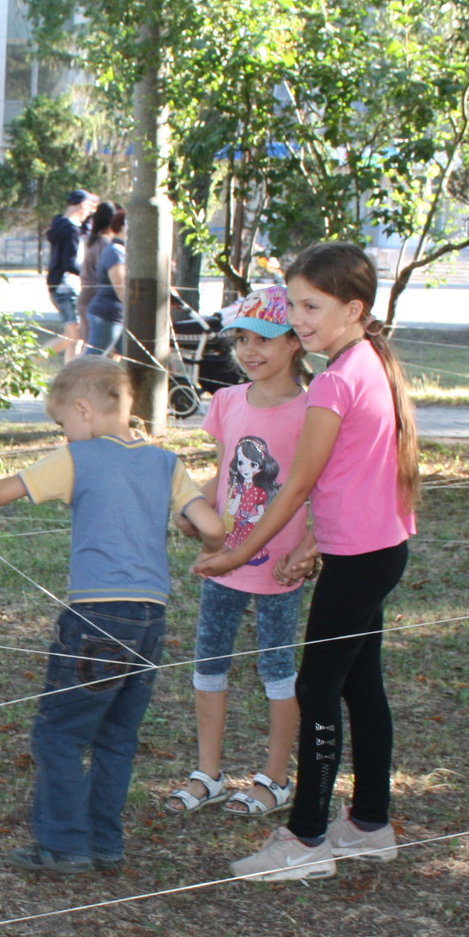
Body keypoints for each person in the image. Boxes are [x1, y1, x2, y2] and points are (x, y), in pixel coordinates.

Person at [0, 358, 225, 875]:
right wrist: (202, 535)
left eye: (63, 423)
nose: (64, 432)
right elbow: (214, 528)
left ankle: (64, 846)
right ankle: (105, 843)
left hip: (96, 620)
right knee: (117, 736)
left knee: (59, 732)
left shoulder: (79, 457)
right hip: (150, 620)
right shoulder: (166, 463)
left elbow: (4, 490)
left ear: (82, 410)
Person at [192, 242, 419, 882]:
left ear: (355, 308)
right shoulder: (367, 361)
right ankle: (370, 823)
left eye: (311, 306)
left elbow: (295, 487)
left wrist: (237, 550)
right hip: (376, 550)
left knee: (318, 689)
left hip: (360, 560)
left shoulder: (337, 381)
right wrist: (314, 541)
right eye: (293, 303)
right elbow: (359, 480)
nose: (298, 318)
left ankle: (308, 838)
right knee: (359, 686)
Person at [162, 285, 310, 818]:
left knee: (277, 669)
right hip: (222, 563)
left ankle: (275, 777)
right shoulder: (226, 401)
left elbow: (319, 488)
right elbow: (223, 476)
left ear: (295, 340)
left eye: (265, 339)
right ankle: (209, 772)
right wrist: (193, 511)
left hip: (279, 566)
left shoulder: (315, 408)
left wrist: (310, 546)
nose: (249, 351)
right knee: (208, 665)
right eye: (241, 339)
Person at [46, 190, 98, 361]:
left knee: (74, 336)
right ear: (82, 204)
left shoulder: (61, 225)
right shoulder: (70, 230)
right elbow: (70, 263)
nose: (89, 213)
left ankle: (68, 373)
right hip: (66, 285)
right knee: (73, 335)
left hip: (60, 284)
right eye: (89, 207)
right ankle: (28, 362)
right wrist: (91, 274)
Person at [81, 203, 128, 357]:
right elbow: (121, 289)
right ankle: (72, 381)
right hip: (106, 312)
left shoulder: (102, 243)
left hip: (113, 312)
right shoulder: (113, 250)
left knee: (126, 356)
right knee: (92, 359)